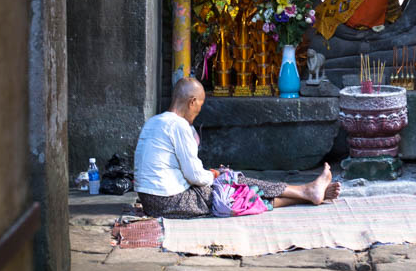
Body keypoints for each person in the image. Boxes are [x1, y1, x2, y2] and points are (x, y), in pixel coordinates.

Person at [134, 77, 342, 218]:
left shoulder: (155, 121)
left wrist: (213, 174)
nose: (199, 110)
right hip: (170, 201)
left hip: (152, 201)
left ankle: (305, 194)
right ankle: (307, 191)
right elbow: (195, 176)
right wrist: (216, 174)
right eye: (200, 105)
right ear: (192, 101)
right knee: (232, 185)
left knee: (230, 187)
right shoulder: (178, 125)